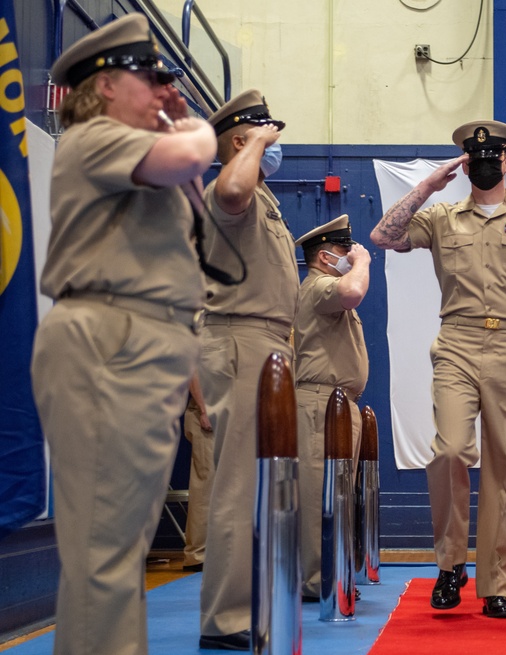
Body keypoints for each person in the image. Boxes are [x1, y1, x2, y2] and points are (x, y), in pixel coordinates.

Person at [30, 14, 216, 655]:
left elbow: (191, 190)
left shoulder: (132, 151)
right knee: (105, 554)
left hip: (144, 346)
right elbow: (194, 156)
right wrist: (191, 124)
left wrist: (166, 116)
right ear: (104, 86)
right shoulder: (96, 136)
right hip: (109, 343)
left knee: (119, 549)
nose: (165, 87)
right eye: (151, 75)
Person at [369, 120, 506, 619]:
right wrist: (427, 185)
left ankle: (497, 583)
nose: (487, 162)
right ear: (465, 163)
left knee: (505, 465)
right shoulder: (442, 217)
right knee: (448, 450)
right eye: (475, 156)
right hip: (457, 343)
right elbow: (383, 234)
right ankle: (450, 564)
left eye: (495, 155)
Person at [198, 90, 299, 650]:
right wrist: (257, 140)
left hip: (265, 344)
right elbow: (232, 185)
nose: (277, 144)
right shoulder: (232, 190)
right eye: (267, 135)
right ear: (242, 140)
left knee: (257, 487)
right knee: (238, 485)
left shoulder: (264, 200)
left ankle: (249, 604)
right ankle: (227, 618)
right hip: (240, 339)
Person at [293, 215, 371, 600]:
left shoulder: (326, 285)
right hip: (319, 403)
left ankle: (330, 575)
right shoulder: (321, 285)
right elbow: (354, 293)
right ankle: (315, 581)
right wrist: (364, 263)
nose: (352, 255)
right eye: (345, 250)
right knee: (317, 495)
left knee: (336, 495)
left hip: (338, 404)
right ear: (325, 257)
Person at [182, 374, 215, 572]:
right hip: (205, 410)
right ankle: (197, 555)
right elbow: (193, 369)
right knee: (205, 486)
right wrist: (204, 409)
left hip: (229, 410)